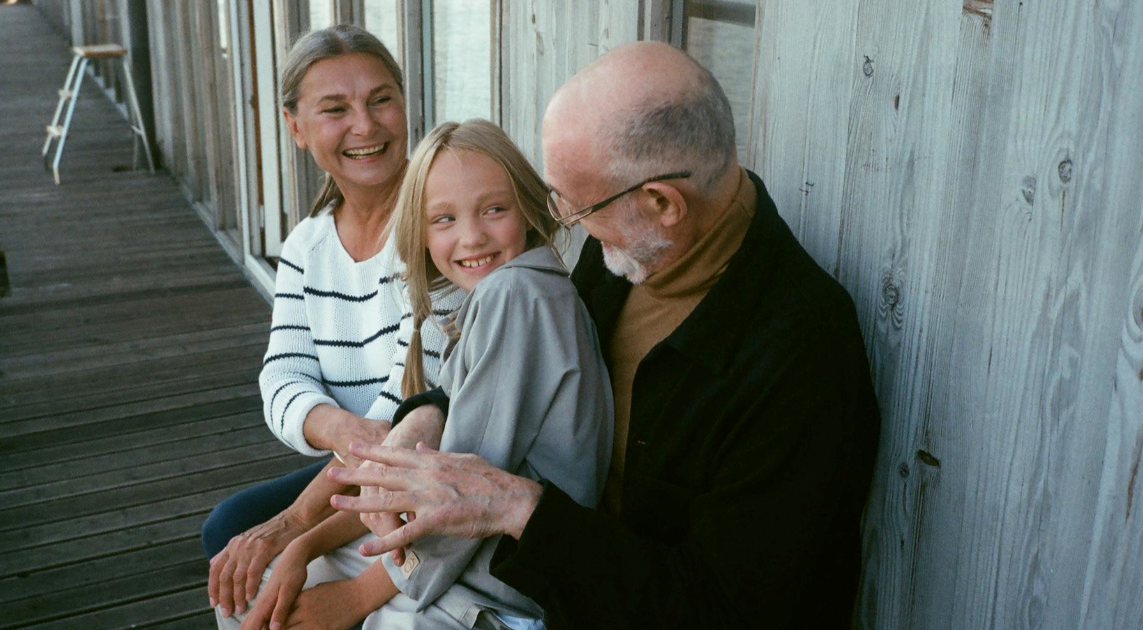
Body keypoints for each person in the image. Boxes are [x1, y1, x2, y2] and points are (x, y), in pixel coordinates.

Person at [329, 42, 882, 629]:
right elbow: (520, 376)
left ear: (663, 202)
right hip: (530, 577)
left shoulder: (801, 354)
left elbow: (728, 608)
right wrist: (428, 414)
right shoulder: (629, 251)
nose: (564, 221)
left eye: (575, 205)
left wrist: (521, 510)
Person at [219, 119, 613, 630]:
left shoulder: (518, 296)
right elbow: (413, 482)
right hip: (440, 563)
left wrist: (353, 599)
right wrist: (302, 544)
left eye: (495, 209)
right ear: (420, 234)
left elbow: (458, 502)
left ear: (530, 208)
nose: (472, 236)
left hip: (492, 589)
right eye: (443, 219)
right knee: (257, 587)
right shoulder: (489, 302)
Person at [202, 24, 456, 618]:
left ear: (405, 104)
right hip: (358, 460)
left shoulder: (443, 227)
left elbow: (408, 407)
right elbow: (282, 379)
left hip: (433, 456)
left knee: (258, 546)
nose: (365, 127)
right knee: (229, 532)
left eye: (381, 100)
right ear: (296, 128)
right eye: (335, 109)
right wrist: (341, 430)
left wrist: (293, 524)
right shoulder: (307, 244)